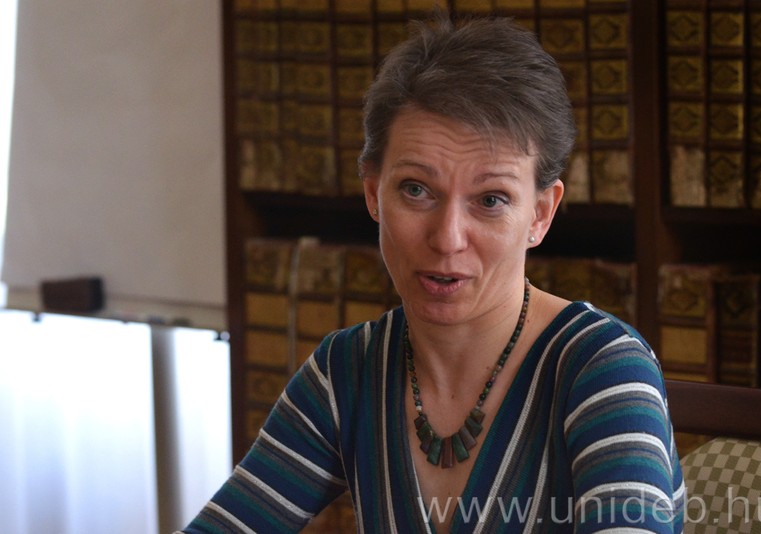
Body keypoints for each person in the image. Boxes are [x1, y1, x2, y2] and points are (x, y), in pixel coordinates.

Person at [182, 12, 685, 533]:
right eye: (416, 190)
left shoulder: (604, 369)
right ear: (373, 192)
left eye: (490, 200)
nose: (447, 238)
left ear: (540, 214)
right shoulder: (347, 372)